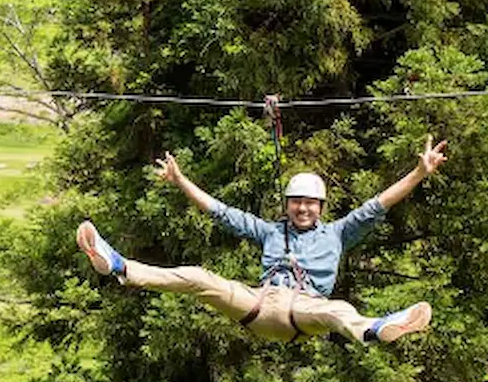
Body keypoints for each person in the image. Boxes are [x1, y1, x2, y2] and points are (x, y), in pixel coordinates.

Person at [75, 136, 448, 344]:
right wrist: (180, 181)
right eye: (296, 203)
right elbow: (220, 211)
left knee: (337, 312)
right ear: (287, 206)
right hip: (258, 305)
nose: (303, 209)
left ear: (321, 207)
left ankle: (376, 329)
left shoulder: (338, 234)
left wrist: (418, 173)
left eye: (310, 204)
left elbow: (376, 205)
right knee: (198, 278)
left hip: (302, 312)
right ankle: (119, 266)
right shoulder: (270, 231)